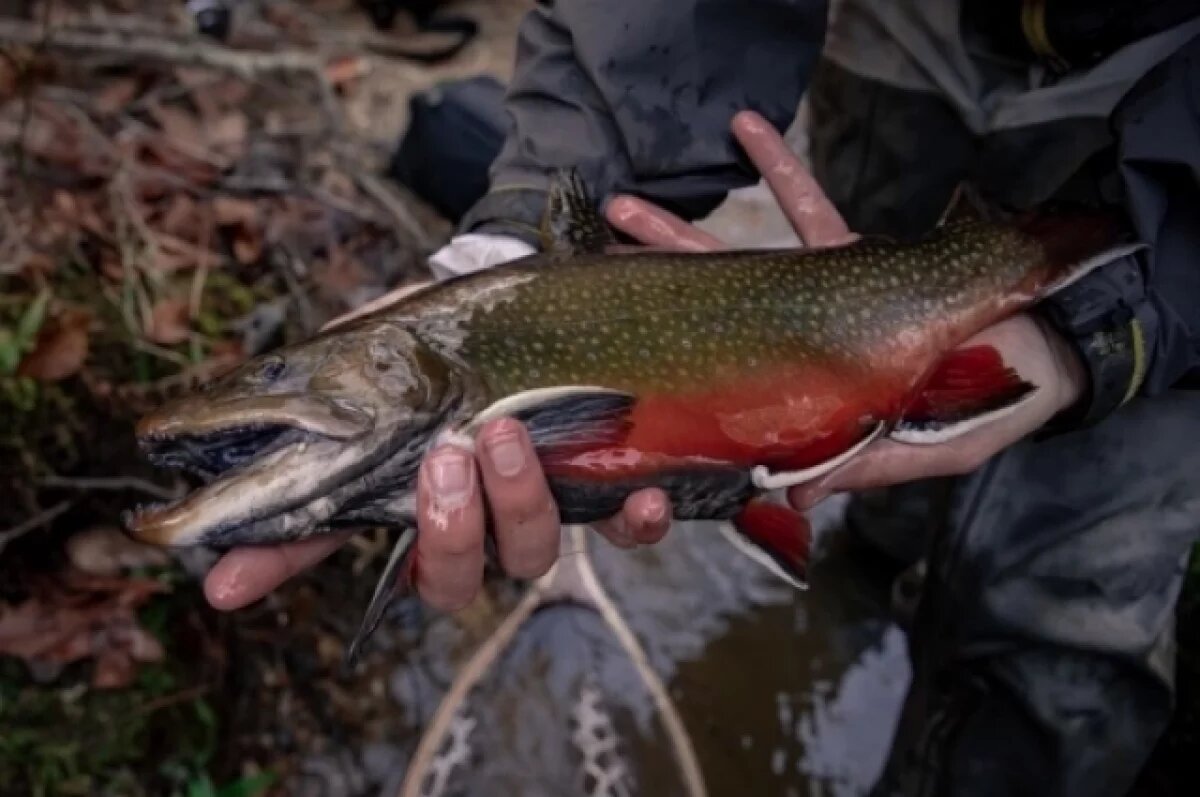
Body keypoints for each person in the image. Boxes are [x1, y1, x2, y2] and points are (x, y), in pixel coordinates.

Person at [203, 1, 1200, 794]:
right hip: (907, 39)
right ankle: (871, 572)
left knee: (1061, 615)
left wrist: (1108, 315)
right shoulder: (429, 366)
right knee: (884, 462)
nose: (281, 384)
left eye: (284, 374)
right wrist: (531, 226)